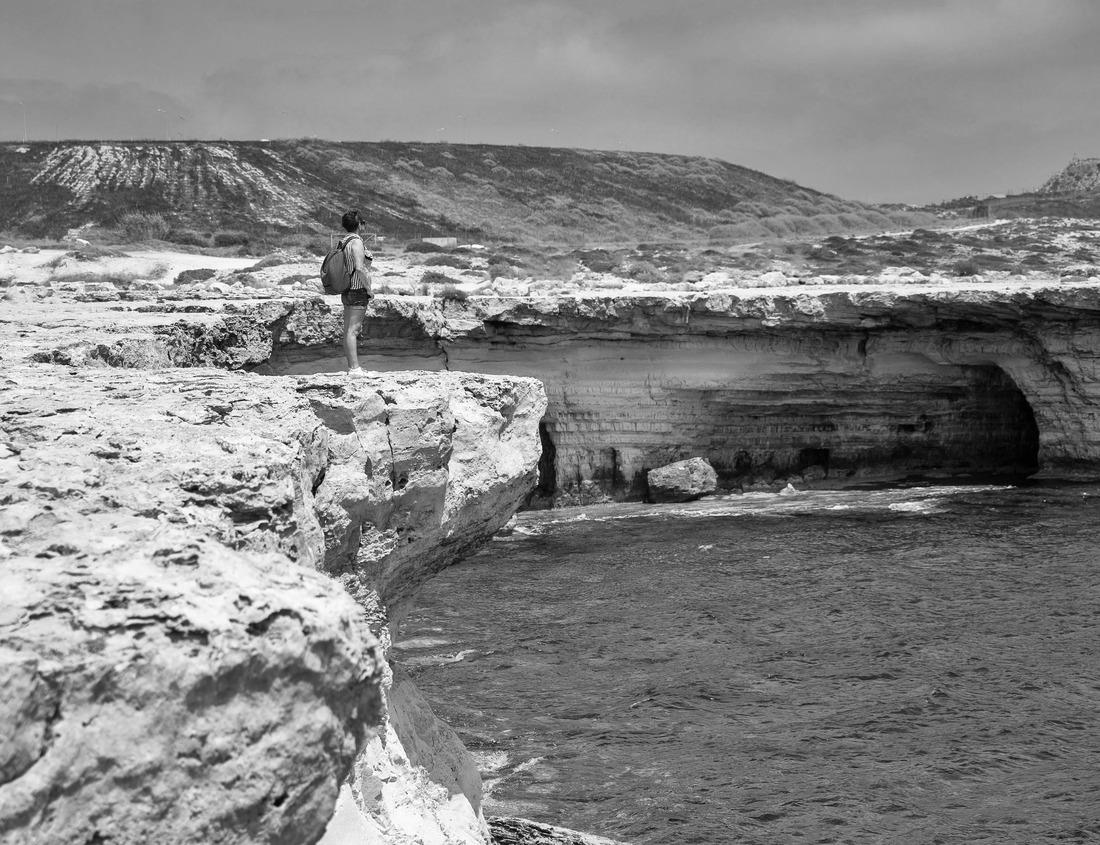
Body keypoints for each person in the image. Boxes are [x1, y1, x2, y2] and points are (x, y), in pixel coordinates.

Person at [338, 208, 373, 373]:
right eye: (363, 222)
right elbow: (359, 268)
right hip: (357, 289)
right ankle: (354, 369)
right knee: (354, 330)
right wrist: (368, 289)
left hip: (346, 289)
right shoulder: (357, 242)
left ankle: (352, 367)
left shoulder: (344, 240)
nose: (364, 225)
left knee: (348, 330)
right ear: (359, 224)